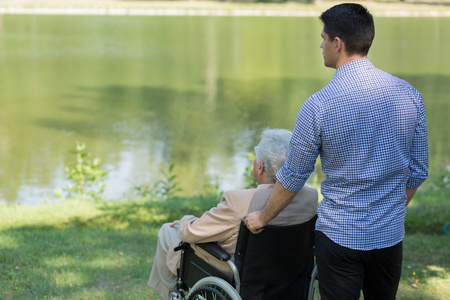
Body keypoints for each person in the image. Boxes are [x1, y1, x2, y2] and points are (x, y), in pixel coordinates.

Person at [245, 3, 429, 300]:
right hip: (389, 237)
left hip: (340, 238)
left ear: (338, 44)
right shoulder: (410, 95)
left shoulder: (318, 106)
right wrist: (390, 211)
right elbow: (418, 170)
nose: (321, 45)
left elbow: (293, 176)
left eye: (323, 38)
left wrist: (262, 218)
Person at [148, 128, 318, 299]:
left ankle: (171, 295)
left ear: (260, 168)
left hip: (238, 275)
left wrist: (186, 221)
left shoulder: (238, 201)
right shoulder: (310, 197)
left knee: (167, 232)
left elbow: (191, 233)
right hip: (288, 275)